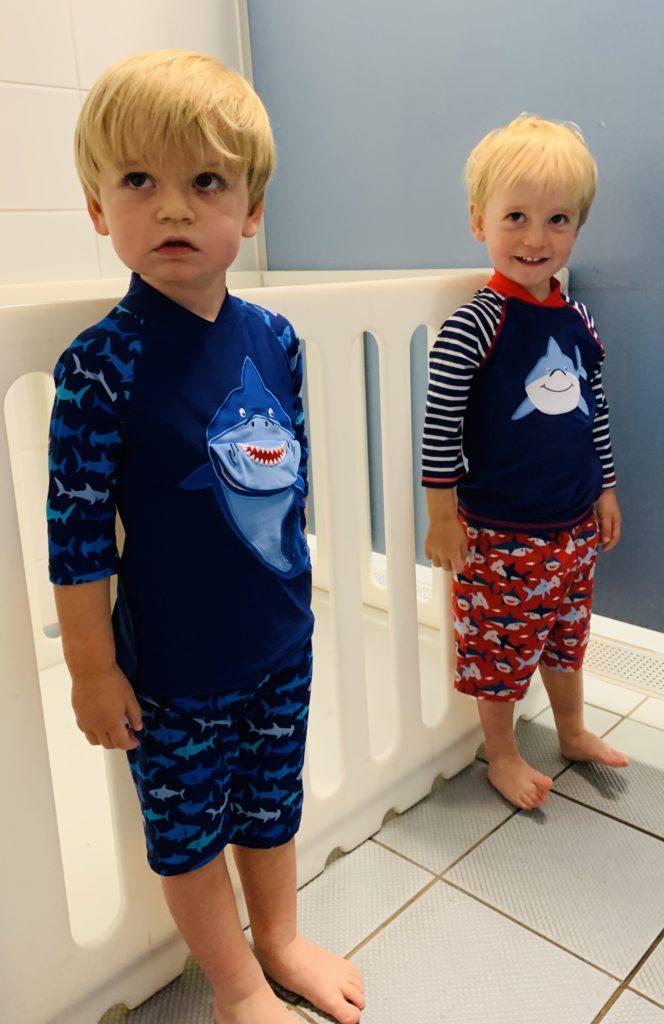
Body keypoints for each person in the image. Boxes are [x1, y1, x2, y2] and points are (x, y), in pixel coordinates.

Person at [46, 50, 364, 1024]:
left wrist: (296, 599)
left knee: (270, 809)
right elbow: (77, 537)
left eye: (206, 182)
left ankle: (279, 940)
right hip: (174, 675)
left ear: (250, 210)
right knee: (186, 835)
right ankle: (234, 988)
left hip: (278, 646)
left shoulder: (273, 339)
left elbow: (290, 480)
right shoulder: (101, 366)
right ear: (100, 210)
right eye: (140, 180)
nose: (174, 208)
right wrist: (93, 670)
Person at [422, 114, 627, 812]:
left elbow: (592, 409)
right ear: (480, 220)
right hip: (502, 536)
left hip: (572, 531)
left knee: (567, 639)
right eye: (516, 216)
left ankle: (570, 730)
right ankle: (501, 753)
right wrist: (442, 516)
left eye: (557, 220)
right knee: (500, 652)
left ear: (576, 230)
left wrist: (607, 487)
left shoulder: (576, 319)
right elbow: (440, 423)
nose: (536, 238)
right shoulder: (476, 323)